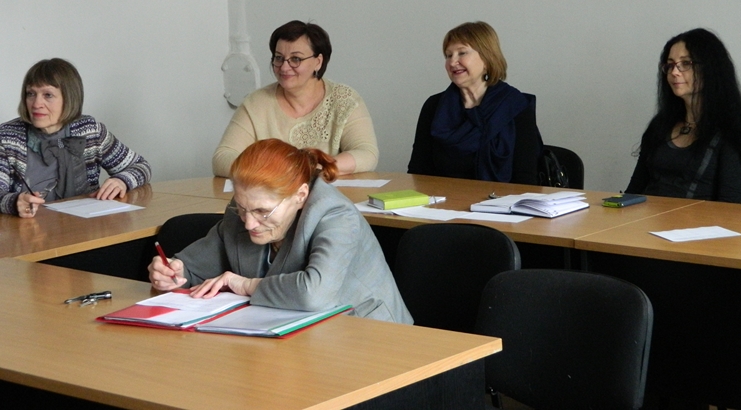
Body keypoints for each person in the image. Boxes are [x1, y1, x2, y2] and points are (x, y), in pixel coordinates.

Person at [151, 138, 412, 323]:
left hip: (367, 336)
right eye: (242, 207)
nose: (248, 223)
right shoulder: (244, 207)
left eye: (262, 211)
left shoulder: (336, 215)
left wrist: (246, 285)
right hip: (292, 335)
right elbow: (195, 267)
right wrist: (173, 272)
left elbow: (313, 294)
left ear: (301, 195)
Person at [212, 20, 378, 177]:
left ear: (318, 62)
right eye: (279, 58)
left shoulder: (345, 100)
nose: (284, 67)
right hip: (273, 194)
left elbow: (367, 153)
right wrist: (273, 171)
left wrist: (314, 168)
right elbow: (222, 158)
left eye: (295, 59)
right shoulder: (256, 103)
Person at [0, 58, 152, 217]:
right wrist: (14, 202)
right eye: (31, 94)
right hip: (29, 229)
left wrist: (122, 181)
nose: (36, 104)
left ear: (69, 98)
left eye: (48, 95)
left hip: (84, 227)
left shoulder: (90, 130)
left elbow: (140, 166)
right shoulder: (7, 137)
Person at [626, 28, 741, 202]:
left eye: (686, 63)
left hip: (700, 219)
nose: (674, 72)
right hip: (648, 217)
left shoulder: (729, 131)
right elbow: (634, 191)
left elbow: (730, 207)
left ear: (711, 69)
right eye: (670, 65)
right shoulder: (660, 126)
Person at [408, 21, 543, 185]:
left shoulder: (515, 105)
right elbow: (418, 172)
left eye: (462, 53)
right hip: (443, 199)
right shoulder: (434, 106)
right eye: (448, 55)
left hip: (503, 199)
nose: (452, 62)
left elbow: (526, 177)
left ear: (486, 58)